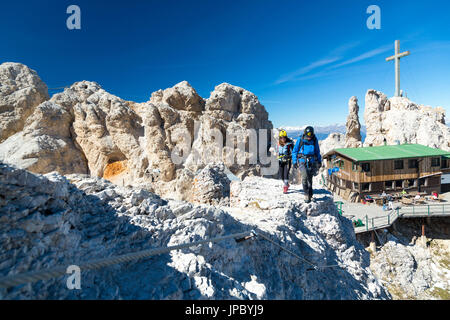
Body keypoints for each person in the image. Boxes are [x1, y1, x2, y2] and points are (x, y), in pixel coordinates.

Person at [292, 126, 322, 203]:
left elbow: (317, 151)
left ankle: (310, 193)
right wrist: (294, 161)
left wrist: (319, 161)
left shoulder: (314, 140)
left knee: (310, 179)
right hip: (302, 161)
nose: (309, 138)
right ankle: (306, 194)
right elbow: (295, 151)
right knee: (304, 177)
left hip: (311, 162)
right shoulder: (300, 140)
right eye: (308, 136)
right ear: (305, 134)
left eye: (310, 136)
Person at [277, 130, 294, 194]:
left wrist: (288, 156)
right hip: (281, 161)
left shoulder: (289, 144)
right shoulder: (278, 144)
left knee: (286, 174)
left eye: (284, 137)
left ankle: (285, 187)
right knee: (281, 175)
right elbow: (277, 151)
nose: (282, 139)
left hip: (287, 161)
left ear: (286, 137)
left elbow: (293, 152)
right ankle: (286, 183)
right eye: (281, 137)